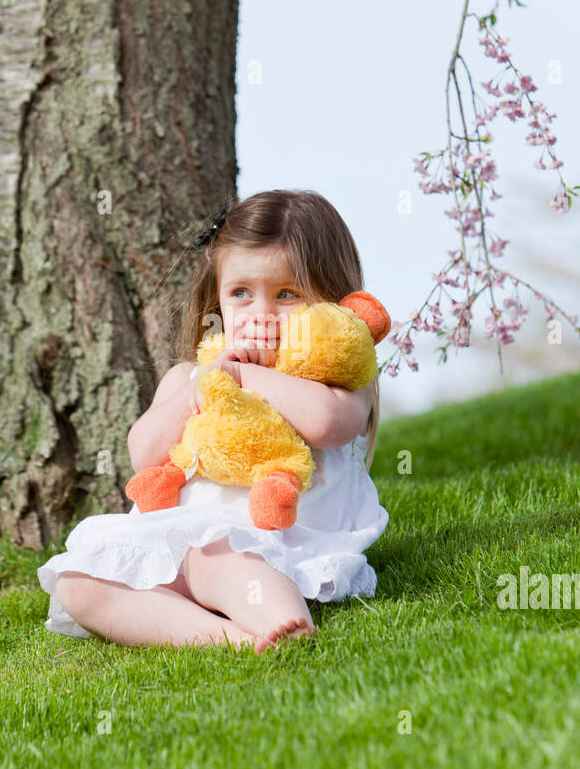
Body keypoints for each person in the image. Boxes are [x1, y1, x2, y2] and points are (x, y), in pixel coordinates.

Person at [36, 189, 390, 652]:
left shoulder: (338, 378)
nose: (260, 313)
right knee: (79, 584)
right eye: (241, 293)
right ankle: (229, 639)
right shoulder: (191, 375)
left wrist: (248, 374)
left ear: (331, 301)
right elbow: (144, 455)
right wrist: (203, 384)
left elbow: (328, 425)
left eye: (287, 294)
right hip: (174, 545)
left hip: (269, 545)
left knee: (218, 556)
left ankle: (281, 620)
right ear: (218, 299)